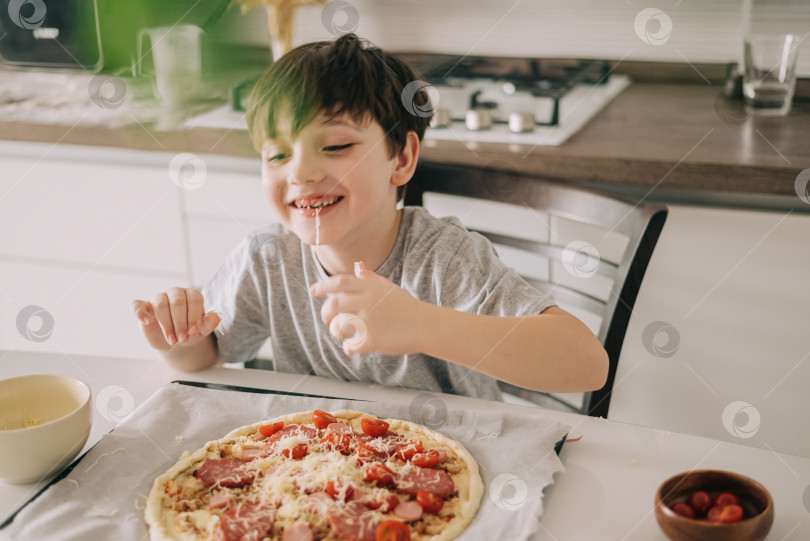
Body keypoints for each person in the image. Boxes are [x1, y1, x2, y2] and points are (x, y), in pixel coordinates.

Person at [131, 34, 608, 401]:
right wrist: (177, 340)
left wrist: (419, 324)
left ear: (400, 160)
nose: (301, 172)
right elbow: (208, 356)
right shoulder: (267, 259)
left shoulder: (445, 259)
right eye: (277, 155)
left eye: (336, 146)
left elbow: (587, 364)